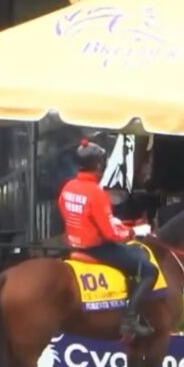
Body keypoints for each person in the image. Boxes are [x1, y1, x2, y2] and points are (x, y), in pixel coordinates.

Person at [58, 139, 157, 339]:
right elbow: (112, 234)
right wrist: (134, 232)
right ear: (98, 165)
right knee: (149, 270)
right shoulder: (96, 192)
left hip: (74, 244)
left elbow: (69, 212)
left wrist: (119, 223)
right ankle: (130, 320)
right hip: (97, 248)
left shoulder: (68, 187)